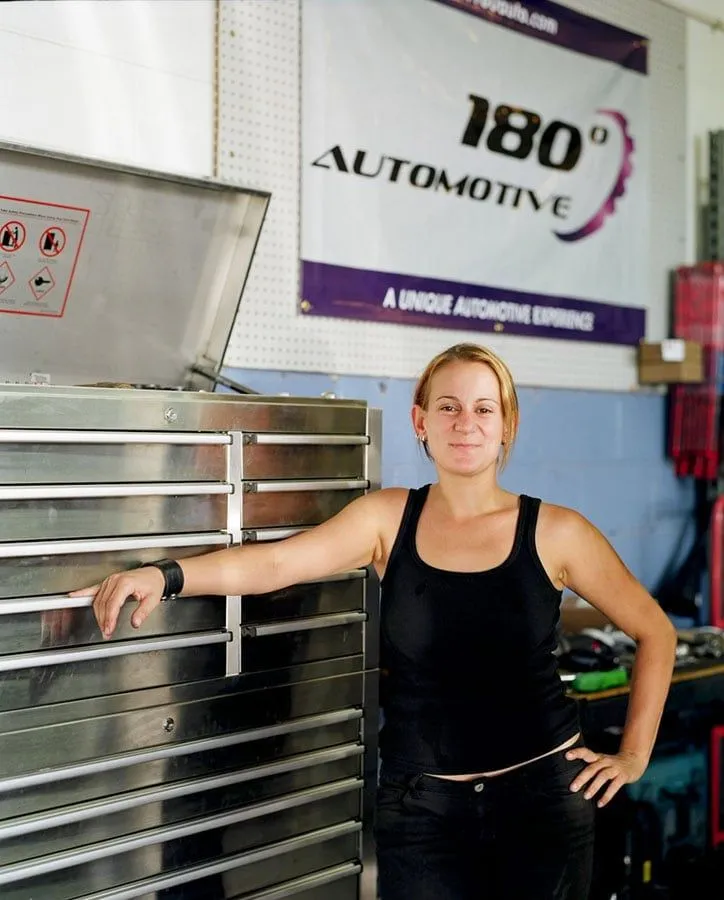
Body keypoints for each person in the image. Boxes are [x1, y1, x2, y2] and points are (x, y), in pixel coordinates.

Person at [73, 342, 678, 900]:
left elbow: (656, 631)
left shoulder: (557, 532)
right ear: (421, 421)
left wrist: (633, 756)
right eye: (448, 407)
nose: (465, 423)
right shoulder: (388, 520)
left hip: (542, 803)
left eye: (483, 409)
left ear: (507, 426)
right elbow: (278, 563)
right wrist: (167, 576)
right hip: (422, 813)